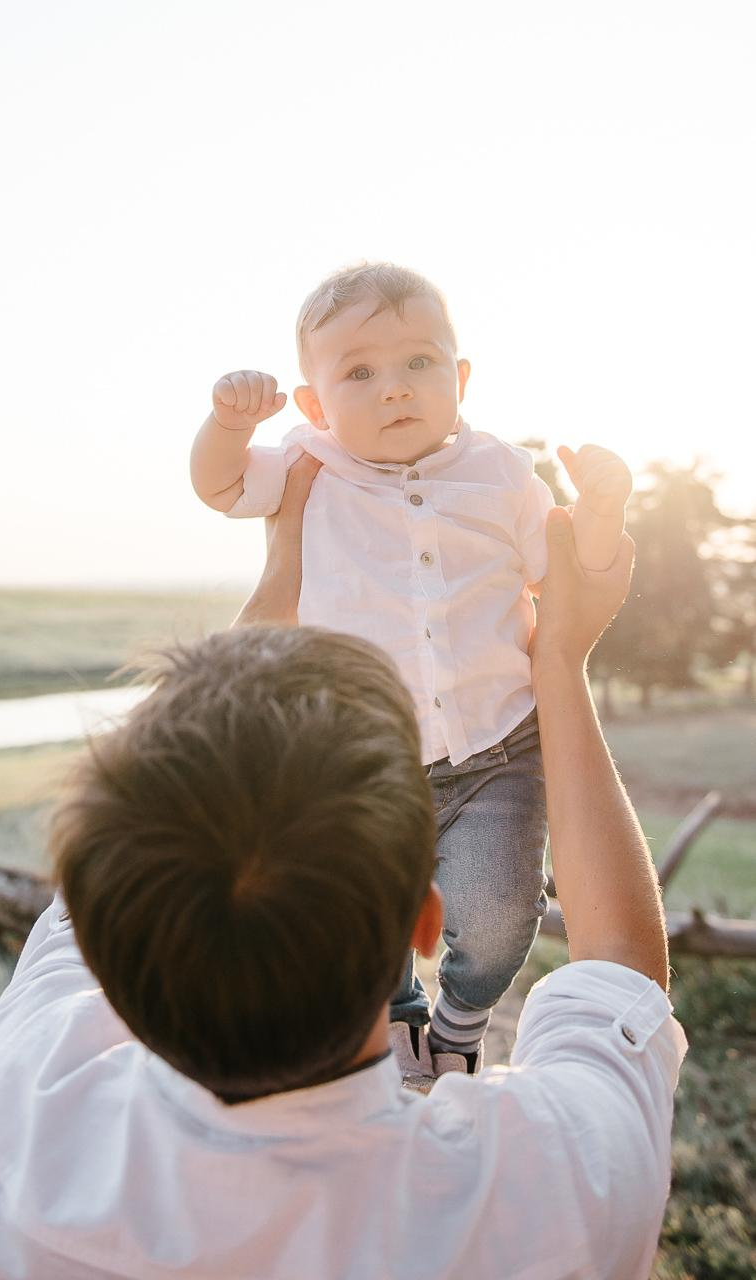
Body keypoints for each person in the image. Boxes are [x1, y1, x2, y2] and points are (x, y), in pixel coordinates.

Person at [0, 458, 686, 1279]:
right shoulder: (555, 1192)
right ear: (425, 923)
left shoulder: (25, 1119)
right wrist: (559, 662)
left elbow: (123, 827)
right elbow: (623, 965)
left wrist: (279, 574)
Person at [190, 262, 634, 1076]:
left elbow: (565, 574)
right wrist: (226, 421)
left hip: (496, 751)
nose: (394, 388)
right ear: (315, 403)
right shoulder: (304, 464)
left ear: (459, 378)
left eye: (419, 363)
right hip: (358, 759)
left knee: (500, 911)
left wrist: (600, 517)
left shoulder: (501, 471)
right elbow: (219, 485)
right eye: (359, 372)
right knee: (359, 904)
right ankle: (393, 1012)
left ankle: (462, 1019)